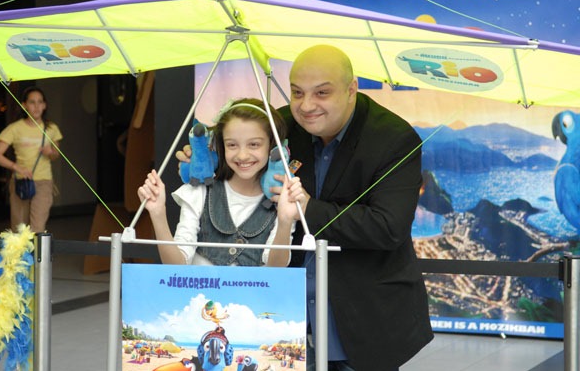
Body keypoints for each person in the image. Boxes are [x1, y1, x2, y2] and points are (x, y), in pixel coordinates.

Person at [178, 45, 433, 371]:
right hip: (286, 317)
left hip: (363, 318)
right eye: (297, 92)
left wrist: (307, 208)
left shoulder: (393, 138)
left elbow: (387, 227)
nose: (307, 105)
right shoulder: (280, 126)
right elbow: (238, 158)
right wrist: (201, 157)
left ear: (351, 89)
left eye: (322, 93)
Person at [138, 98, 304, 267]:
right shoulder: (200, 191)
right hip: (200, 286)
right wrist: (158, 214)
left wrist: (285, 221)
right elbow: (177, 264)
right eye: (232, 145)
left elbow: (276, 268)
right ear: (221, 146)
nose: (242, 155)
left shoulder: (282, 198)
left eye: (254, 144)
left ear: (273, 146)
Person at [0, 86, 62, 233]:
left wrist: (50, 152)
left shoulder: (51, 128)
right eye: (32, 102)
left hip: (43, 181)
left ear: (44, 105)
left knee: (38, 228)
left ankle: (37, 249)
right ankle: (22, 250)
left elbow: (56, 155)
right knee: (19, 229)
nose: (36, 106)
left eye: (40, 102)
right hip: (21, 181)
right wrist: (17, 167)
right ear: (24, 105)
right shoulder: (15, 128)